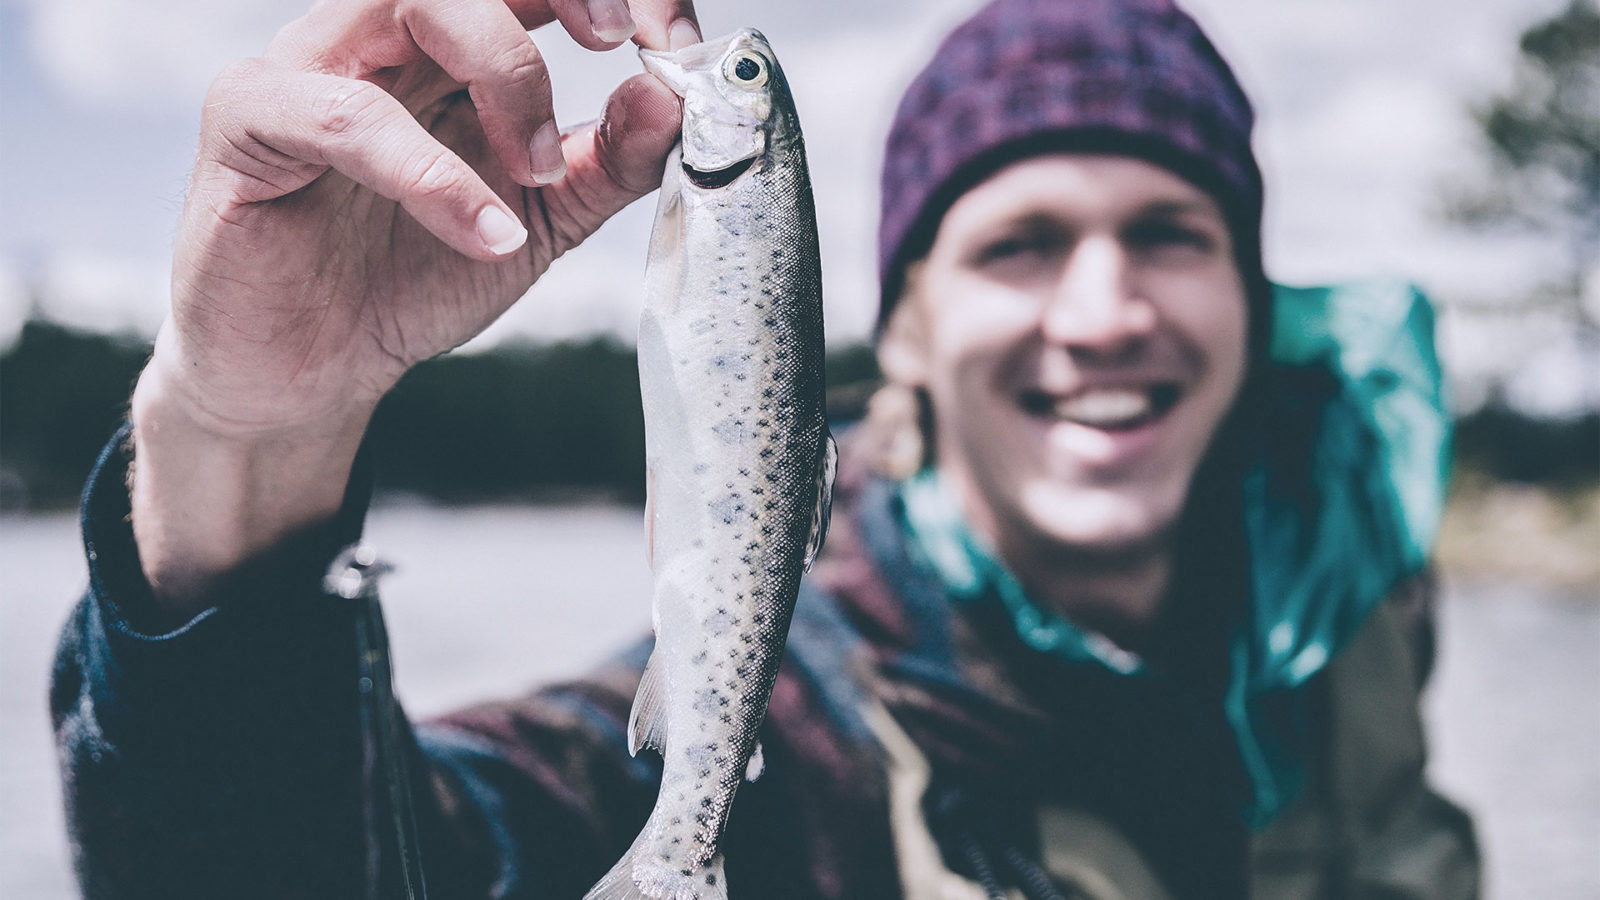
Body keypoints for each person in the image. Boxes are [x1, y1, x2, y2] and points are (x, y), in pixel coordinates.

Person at [50, 0, 1482, 896]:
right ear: (905, 329)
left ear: (1253, 298)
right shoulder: (795, 745)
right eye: (1020, 245)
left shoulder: (1349, 629)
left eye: (1171, 236)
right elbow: (301, 872)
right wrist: (245, 437)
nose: (1102, 315)